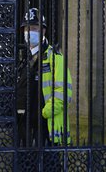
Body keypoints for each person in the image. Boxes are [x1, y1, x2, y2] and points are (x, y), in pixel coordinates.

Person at [17, 8, 72, 147]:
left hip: (46, 129)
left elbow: (63, 92)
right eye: (26, 29)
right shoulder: (24, 59)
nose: (29, 32)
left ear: (43, 31)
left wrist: (44, 113)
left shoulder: (55, 57)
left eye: (34, 28)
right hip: (25, 129)